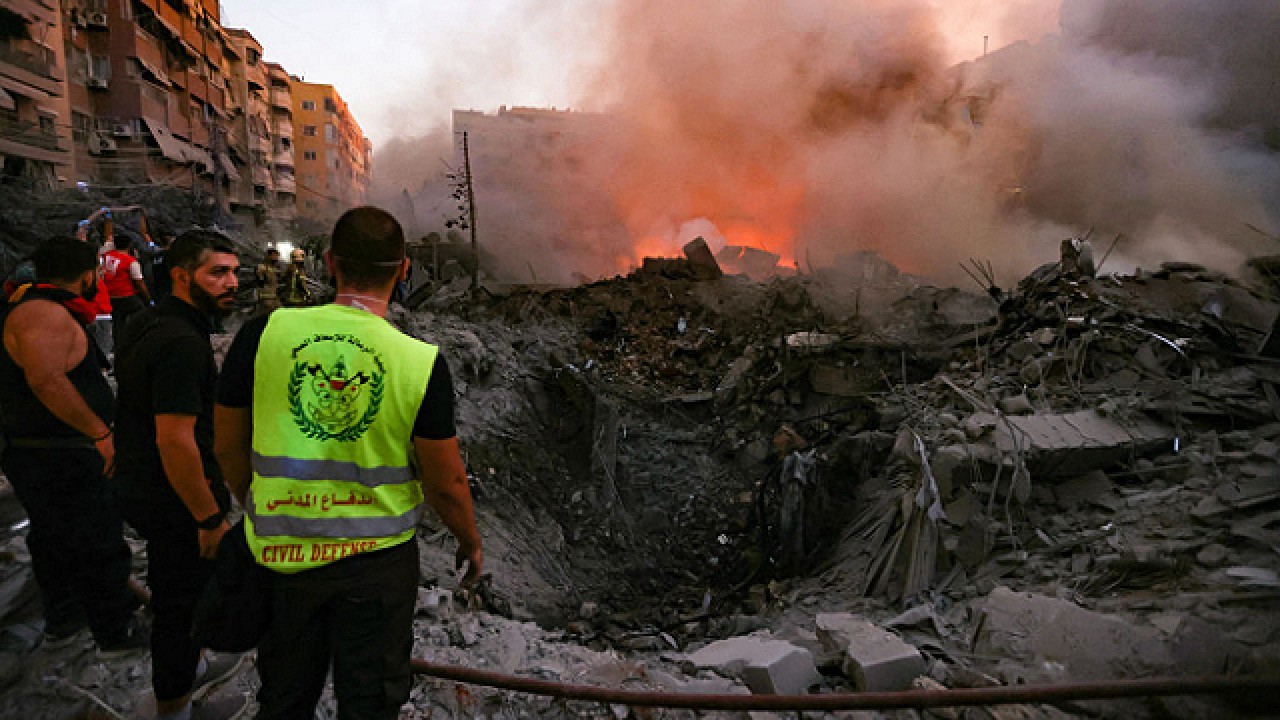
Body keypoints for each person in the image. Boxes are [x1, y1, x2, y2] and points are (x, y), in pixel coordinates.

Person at [215, 206, 482, 720]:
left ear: (329, 262)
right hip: (375, 569)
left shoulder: (262, 334)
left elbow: (227, 443)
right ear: (405, 271)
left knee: (285, 695)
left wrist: (257, 502)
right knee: (370, 702)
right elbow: (445, 481)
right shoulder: (420, 362)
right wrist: (469, 540)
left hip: (281, 557)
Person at [113, 230, 247, 720]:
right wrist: (208, 518)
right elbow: (175, 439)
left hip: (146, 488)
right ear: (180, 275)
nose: (231, 282)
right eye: (217, 273)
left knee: (183, 598)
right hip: (177, 502)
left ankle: (190, 672)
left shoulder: (147, 323)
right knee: (180, 606)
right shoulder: (182, 344)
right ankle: (172, 706)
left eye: (234, 271)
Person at [0, 237, 146, 655]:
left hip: (47, 450)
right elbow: (46, 379)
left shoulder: (36, 309)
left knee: (55, 537)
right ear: (88, 275)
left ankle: (68, 617)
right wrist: (98, 434)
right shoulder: (42, 314)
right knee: (96, 538)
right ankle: (114, 627)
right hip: (59, 452)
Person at [101, 233, 151, 351]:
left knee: (118, 323)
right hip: (125, 296)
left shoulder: (104, 256)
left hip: (109, 296)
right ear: (129, 246)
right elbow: (139, 282)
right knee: (143, 314)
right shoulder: (130, 261)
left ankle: (118, 345)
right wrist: (148, 297)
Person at [255, 247, 281, 316]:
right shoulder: (262, 267)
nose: (276, 258)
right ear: (269, 256)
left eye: (277, 256)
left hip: (274, 297)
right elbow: (260, 282)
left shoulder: (273, 268)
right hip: (265, 298)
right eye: (274, 255)